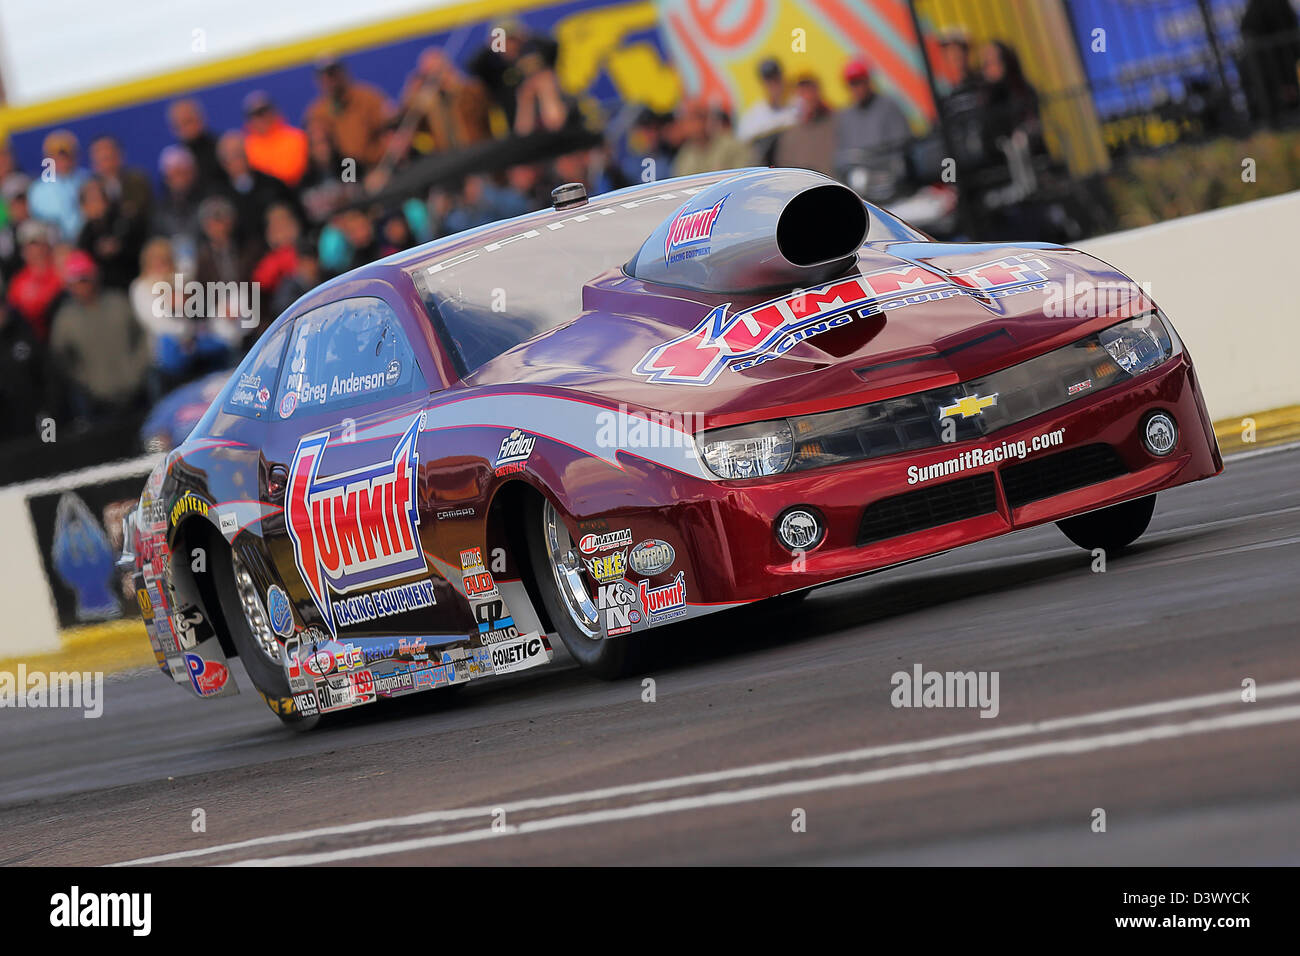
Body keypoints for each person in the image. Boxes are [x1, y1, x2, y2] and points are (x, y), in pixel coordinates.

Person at [47, 250, 151, 421]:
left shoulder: (118, 302)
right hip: (96, 403)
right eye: (77, 281)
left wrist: (137, 370)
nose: (83, 285)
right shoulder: (65, 319)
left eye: (85, 279)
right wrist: (87, 382)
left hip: (136, 393)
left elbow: (142, 337)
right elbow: (62, 359)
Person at [834, 58, 913, 203]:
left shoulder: (888, 106)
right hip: (861, 191)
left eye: (859, 81)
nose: (857, 87)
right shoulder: (845, 117)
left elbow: (902, 147)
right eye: (852, 83)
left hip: (891, 184)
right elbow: (841, 159)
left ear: (868, 81)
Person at [468, 18, 566, 132]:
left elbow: (553, 46)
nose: (509, 45)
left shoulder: (534, 59)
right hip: (519, 132)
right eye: (502, 42)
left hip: (550, 126)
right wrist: (492, 45)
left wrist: (527, 36)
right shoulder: (495, 71)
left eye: (512, 40)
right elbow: (473, 66)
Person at [304, 56, 395, 169]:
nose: (329, 80)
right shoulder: (317, 112)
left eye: (332, 74)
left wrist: (384, 167)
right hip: (347, 171)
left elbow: (392, 133)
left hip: (377, 167)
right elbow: (318, 151)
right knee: (347, 182)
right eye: (323, 76)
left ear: (342, 73)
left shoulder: (368, 98)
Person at [400, 47, 493, 154]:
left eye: (438, 71)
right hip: (448, 158)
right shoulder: (429, 104)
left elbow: (485, 110)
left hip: (477, 152)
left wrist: (455, 87)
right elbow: (408, 125)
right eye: (429, 75)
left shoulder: (469, 90)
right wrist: (412, 93)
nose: (436, 78)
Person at [215, 131, 296, 246]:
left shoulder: (272, 185)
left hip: (277, 248)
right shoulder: (221, 197)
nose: (238, 161)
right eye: (231, 157)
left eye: (240, 154)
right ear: (223, 164)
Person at [76, 177, 144, 290]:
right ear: (84, 207)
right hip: (99, 289)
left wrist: (119, 248)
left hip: (128, 281)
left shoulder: (125, 221)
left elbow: (138, 249)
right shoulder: (85, 233)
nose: (96, 205)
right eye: (90, 201)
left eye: (98, 199)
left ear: (107, 201)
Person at [27, 130, 90, 242]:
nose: (62, 161)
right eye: (56, 157)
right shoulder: (37, 190)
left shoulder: (88, 179)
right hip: (57, 247)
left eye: (66, 156)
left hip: (88, 239)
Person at [6, 220, 63, 342]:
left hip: (59, 338)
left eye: (35, 243)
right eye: (26, 245)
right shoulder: (18, 281)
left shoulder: (60, 273)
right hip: (31, 343)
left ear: (46, 245)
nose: (31, 249)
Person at [151, 145, 206, 269]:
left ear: (193, 173)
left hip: (204, 269)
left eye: (183, 173)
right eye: (174, 174)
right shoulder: (158, 210)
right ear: (166, 177)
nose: (179, 179)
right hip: (169, 270)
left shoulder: (206, 204)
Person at [670, 100, 756, 177]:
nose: (694, 125)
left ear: (708, 119)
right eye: (687, 119)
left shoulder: (732, 146)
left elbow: (745, 177)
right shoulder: (684, 156)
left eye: (698, 117)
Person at [242, 91, 309, 188]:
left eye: (265, 111)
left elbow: (295, 170)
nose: (262, 117)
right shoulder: (246, 148)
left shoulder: (297, 137)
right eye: (256, 114)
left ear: (274, 111)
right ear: (249, 119)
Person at [773, 73, 836, 175]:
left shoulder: (834, 123)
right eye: (802, 92)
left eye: (810, 91)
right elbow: (784, 170)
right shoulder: (789, 135)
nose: (807, 97)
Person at [88, 135, 153, 229]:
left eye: (109, 157)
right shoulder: (91, 190)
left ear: (120, 157)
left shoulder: (137, 181)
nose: (107, 165)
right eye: (101, 160)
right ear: (94, 164)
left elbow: (139, 212)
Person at [166, 99, 225, 192]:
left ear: (201, 118)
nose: (187, 128)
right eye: (180, 124)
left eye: (189, 121)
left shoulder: (221, 147)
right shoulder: (175, 161)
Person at [738, 58, 800, 144]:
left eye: (776, 79)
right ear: (762, 84)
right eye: (769, 81)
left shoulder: (799, 106)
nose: (773, 85)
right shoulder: (752, 117)